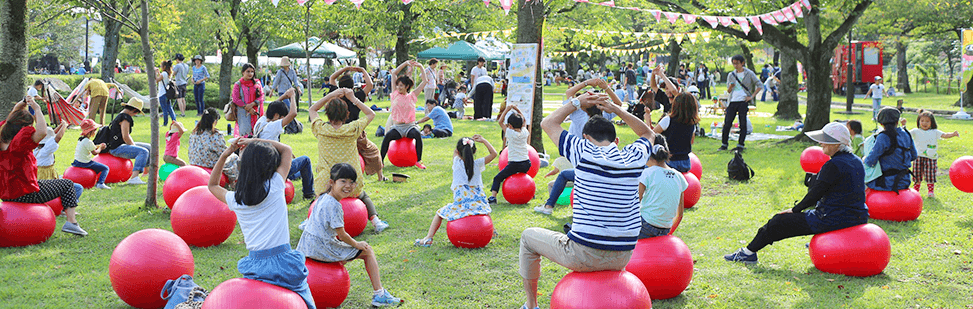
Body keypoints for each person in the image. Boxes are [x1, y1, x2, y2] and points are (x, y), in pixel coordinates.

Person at [520, 85, 655, 309]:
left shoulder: (582, 151)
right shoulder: (633, 157)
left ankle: (531, 305)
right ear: (617, 141)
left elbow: (548, 123)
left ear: (585, 137)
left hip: (583, 254)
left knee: (527, 237)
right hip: (623, 255)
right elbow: (648, 134)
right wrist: (616, 109)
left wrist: (577, 103)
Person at [725, 122, 868, 263]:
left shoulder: (833, 165)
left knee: (777, 222)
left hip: (833, 218)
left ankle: (747, 253)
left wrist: (794, 210)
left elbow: (814, 195)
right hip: (858, 216)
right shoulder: (856, 161)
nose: (820, 144)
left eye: (825, 141)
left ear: (837, 144)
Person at [206, 138, 315, 309]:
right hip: (284, 263)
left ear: (245, 166)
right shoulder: (276, 185)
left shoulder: (236, 199)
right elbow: (286, 149)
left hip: (257, 266)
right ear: (271, 166)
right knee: (305, 301)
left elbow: (212, 185)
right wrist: (252, 140)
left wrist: (226, 154)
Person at [297, 164, 404, 307]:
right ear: (331, 182)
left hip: (306, 247)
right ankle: (379, 294)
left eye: (352, 182)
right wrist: (357, 244)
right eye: (343, 181)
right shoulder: (334, 205)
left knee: (347, 252)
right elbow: (342, 235)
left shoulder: (321, 198)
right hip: (320, 249)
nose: (348, 186)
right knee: (367, 251)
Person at [1, 98, 87, 235]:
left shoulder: (3, 134)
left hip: (7, 194)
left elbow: (13, 115)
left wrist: (24, 101)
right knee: (67, 184)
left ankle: (70, 220)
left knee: (48, 183)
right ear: (23, 127)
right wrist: (37, 109)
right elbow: (42, 132)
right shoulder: (19, 143)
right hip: (25, 193)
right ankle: (72, 222)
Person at [310, 88, 390, 232]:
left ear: (327, 115)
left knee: (319, 199)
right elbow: (371, 114)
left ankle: (309, 221)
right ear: (346, 115)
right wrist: (353, 99)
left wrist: (331, 95)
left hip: (327, 184)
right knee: (363, 195)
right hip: (351, 183)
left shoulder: (321, 129)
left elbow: (313, 109)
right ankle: (376, 221)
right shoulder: (352, 129)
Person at [414, 135, 497, 246]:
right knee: (485, 207)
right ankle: (493, 231)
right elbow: (494, 154)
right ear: (475, 151)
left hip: (462, 207)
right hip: (479, 206)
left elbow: (456, 152)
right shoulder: (478, 164)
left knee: (439, 214)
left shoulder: (457, 163)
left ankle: (428, 238)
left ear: (458, 152)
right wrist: (484, 140)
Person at [254, 89, 315, 200]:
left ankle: (298, 175)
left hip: (263, 166)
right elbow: (293, 114)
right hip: (274, 169)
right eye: (282, 117)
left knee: (295, 170)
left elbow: (271, 108)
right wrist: (292, 96)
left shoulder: (260, 122)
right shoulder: (272, 127)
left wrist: (283, 97)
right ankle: (309, 193)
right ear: (277, 116)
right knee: (305, 160)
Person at [330, 67, 385, 182]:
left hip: (338, 131)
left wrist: (345, 68)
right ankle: (380, 177)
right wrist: (362, 70)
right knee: (374, 151)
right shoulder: (356, 96)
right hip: (356, 132)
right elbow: (370, 85)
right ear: (353, 86)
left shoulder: (336, 95)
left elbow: (332, 78)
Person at [380, 60, 429, 170]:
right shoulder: (395, 94)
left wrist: (420, 66)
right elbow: (394, 74)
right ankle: (380, 161)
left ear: (407, 86)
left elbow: (425, 81)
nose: (398, 87)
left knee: (417, 134)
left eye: (401, 86)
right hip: (397, 127)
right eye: (397, 85)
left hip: (409, 126)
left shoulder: (412, 96)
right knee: (387, 137)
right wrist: (405, 63)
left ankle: (418, 161)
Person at [637, 135, 686, 238]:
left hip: (645, 225)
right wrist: (668, 233)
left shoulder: (647, 173)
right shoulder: (679, 176)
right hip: (665, 228)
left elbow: (634, 203)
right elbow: (680, 214)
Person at [863, 107, 917, 192]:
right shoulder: (906, 134)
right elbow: (914, 156)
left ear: (881, 124)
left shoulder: (883, 137)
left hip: (886, 183)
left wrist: (864, 159)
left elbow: (871, 161)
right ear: (897, 121)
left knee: (860, 182)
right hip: (905, 180)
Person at [909, 110, 960, 197]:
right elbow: (905, 134)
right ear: (918, 121)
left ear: (932, 122)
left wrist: (953, 134)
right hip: (918, 157)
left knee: (930, 174)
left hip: (931, 157)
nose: (924, 123)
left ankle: (930, 192)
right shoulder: (915, 131)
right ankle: (916, 190)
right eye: (922, 121)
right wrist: (902, 125)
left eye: (927, 121)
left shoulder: (935, 132)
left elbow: (944, 135)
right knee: (917, 174)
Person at [488, 105, 529, 204]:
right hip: (527, 163)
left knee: (497, 178)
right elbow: (524, 120)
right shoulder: (525, 131)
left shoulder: (510, 133)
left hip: (515, 163)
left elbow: (500, 122)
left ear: (510, 126)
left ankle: (493, 197)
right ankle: (528, 191)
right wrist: (517, 109)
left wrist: (507, 109)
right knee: (522, 176)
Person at [719, 55, 761, 151]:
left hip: (743, 101)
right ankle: (724, 144)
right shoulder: (731, 75)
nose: (735, 65)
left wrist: (751, 96)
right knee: (727, 123)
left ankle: (740, 145)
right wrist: (730, 86)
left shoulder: (749, 73)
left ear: (742, 63)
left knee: (743, 124)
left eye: (737, 63)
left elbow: (759, 85)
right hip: (733, 101)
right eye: (733, 63)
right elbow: (729, 91)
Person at [650, 92, 699, 173]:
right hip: (685, 162)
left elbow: (652, 135)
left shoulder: (668, 119)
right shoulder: (692, 123)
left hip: (668, 162)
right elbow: (691, 141)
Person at [106, 98, 151, 184]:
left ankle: (147, 172)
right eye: (136, 112)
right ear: (134, 110)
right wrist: (134, 147)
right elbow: (125, 136)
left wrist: (133, 145)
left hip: (121, 144)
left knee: (149, 147)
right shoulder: (125, 118)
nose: (135, 114)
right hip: (116, 148)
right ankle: (134, 178)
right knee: (143, 151)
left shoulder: (122, 115)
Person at [72, 119, 111, 190]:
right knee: (105, 168)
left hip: (77, 162)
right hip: (85, 163)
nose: (95, 132)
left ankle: (93, 180)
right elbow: (95, 153)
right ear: (91, 131)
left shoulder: (81, 139)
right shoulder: (88, 142)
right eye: (95, 130)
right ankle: (100, 183)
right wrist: (101, 148)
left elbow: (91, 146)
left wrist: (98, 145)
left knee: (97, 168)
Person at [231, 63, 265, 137]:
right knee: (244, 134)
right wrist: (248, 108)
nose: (250, 73)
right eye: (248, 71)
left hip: (256, 112)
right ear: (243, 72)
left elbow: (262, 96)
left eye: (252, 71)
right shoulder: (238, 84)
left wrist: (252, 104)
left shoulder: (257, 83)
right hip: (243, 112)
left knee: (257, 133)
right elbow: (236, 99)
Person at [157, 60, 178, 126]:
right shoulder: (168, 73)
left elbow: (157, 80)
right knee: (170, 109)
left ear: (164, 66)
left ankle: (165, 123)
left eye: (161, 66)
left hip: (162, 93)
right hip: (167, 94)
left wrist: (155, 73)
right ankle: (174, 121)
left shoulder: (164, 73)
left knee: (164, 110)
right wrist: (158, 72)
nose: (160, 67)